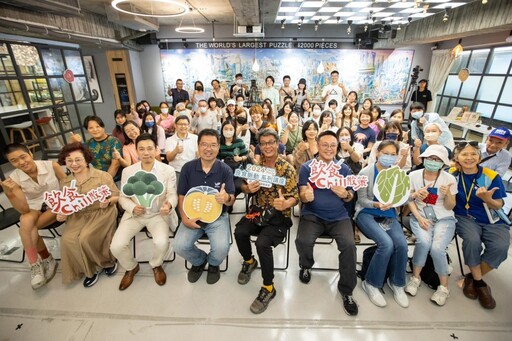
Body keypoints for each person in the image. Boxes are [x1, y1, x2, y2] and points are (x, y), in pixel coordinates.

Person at [234, 129, 299, 314]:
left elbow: (295, 196)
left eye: (271, 142)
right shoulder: (256, 166)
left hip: (280, 215)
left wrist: (287, 202)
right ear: (259, 146)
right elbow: (242, 185)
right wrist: (248, 188)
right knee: (240, 232)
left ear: (278, 143)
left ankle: (269, 288)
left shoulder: (287, 168)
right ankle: (249, 261)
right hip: (258, 211)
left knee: (263, 243)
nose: (268, 146)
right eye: (264, 143)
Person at [295, 130, 358, 316]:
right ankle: (306, 265)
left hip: (339, 217)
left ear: (337, 147)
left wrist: (346, 194)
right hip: (312, 215)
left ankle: (346, 291)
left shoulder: (344, 168)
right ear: (318, 147)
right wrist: (305, 196)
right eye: (325, 145)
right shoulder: (307, 167)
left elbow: (351, 195)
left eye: (333, 145)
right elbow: (302, 193)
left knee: (349, 246)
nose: (329, 149)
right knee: (303, 241)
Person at [110, 133, 179, 290]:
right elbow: (123, 197)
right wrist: (132, 207)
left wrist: (168, 205)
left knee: (161, 243)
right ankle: (131, 267)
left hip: (157, 214)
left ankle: (156, 264)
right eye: (141, 149)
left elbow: (172, 194)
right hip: (134, 214)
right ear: (137, 151)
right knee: (116, 246)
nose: (146, 153)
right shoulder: (128, 171)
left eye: (149, 148)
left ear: (156, 149)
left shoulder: (167, 170)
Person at [449, 141, 510, 309]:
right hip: (464, 216)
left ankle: (472, 278)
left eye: (473, 154)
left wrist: (488, 199)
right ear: (457, 158)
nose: (469, 158)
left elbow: (498, 205)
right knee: (472, 241)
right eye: (464, 155)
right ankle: (481, 285)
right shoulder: (451, 174)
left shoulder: (491, 176)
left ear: (479, 156)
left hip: (491, 218)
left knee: (501, 246)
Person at [173, 129, 235, 285]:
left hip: (217, 217)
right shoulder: (188, 168)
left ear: (218, 147)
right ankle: (200, 260)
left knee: (222, 248)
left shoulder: (225, 169)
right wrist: (184, 219)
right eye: (204, 145)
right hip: (192, 215)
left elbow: (231, 199)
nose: (209, 149)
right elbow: (181, 195)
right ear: (198, 146)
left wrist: (226, 198)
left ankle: (214, 264)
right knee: (179, 246)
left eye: (213, 145)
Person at [1, 143, 65, 289]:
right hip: (34, 207)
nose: (21, 162)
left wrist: (63, 203)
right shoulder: (14, 178)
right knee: (25, 219)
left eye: (23, 157)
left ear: (30, 153)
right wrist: (9, 194)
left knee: (27, 228)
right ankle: (35, 264)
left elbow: (69, 186)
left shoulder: (51, 166)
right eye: (14, 161)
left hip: (57, 204)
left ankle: (45, 259)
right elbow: (23, 209)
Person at [355, 140, 409, 308]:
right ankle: (371, 283)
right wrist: (376, 204)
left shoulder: (397, 173)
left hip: (388, 214)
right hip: (366, 213)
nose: (390, 157)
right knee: (386, 244)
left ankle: (397, 283)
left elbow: (402, 196)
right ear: (377, 153)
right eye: (386, 153)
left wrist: (415, 195)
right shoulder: (364, 173)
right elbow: (362, 200)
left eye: (393, 155)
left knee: (401, 244)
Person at [56, 143, 118, 287]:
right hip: (78, 215)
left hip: (102, 212)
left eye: (78, 160)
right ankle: (89, 270)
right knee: (67, 239)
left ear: (86, 160)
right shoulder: (65, 182)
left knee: (85, 238)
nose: (74, 164)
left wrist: (108, 201)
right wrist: (62, 214)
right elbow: (65, 205)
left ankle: (106, 262)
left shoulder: (102, 176)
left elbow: (117, 196)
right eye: (69, 161)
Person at [405, 145, 457, 306]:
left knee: (437, 248)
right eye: (430, 158)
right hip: (421, 217)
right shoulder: (413, 175)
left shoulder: (449, 179)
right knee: (424, 242)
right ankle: (415, 278)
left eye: (437, 160)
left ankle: (443, 287)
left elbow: (450, 206)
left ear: (443, 163)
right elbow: (408, 200)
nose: (433, 162)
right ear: (424, 159)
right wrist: (419, 217)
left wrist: (447, 193)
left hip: (444, 219)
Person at [70, 116, 122, 180]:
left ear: (103, 127)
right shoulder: (88, 144)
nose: (95, 130)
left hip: (114, 178)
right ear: (88, 130)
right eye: (91, 128)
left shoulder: (114, 141)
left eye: (98, 126)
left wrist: (104, 181)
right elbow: (72, 156)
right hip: (95, 177)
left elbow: (115, 165)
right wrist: (74, 142)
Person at [218, 120, 249, 197]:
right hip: (222, 171)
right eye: (226, 129)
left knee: (235, 186)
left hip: (237, 172)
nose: (228, 131)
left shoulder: (239, 141)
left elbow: (246, 156)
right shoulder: (218, 142)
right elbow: (215, 157)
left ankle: (230, 201)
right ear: (222, 130)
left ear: (234, 130)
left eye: (231, 129)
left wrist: (240, 158)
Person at [165, 115, 198, 185]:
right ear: (175, 125)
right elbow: (169, 158)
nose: (183, 126)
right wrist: (175, 151)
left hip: (192, 171)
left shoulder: (195, 138)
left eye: (185, 124)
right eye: (180, 124)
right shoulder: (169, 140)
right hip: (176, 171)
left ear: (189, 126)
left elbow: (199, 156)